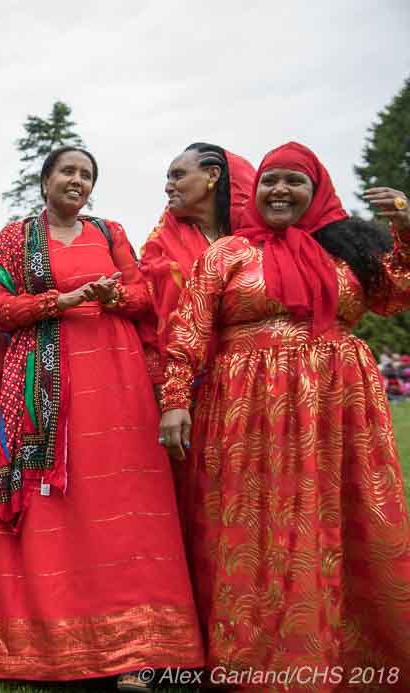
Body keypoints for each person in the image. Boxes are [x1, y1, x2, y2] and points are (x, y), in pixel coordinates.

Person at [159, 142, 410, 684]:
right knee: (251, 525)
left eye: (295, 181)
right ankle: (249, 657)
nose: (280, 190)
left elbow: (399, 293)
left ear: (317, 192)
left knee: (335, 518)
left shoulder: (348, 254)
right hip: (246, 409)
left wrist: (405, 228)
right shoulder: (227, 254)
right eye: (270, 180)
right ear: (255, 191)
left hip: (337, 409)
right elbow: (190, 327)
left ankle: (346, 653)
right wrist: (175, 399)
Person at [0, 146, 204, 688]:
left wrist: (112, 295)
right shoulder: (15, 237)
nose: (77, 181)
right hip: (42, 391)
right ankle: (46, 647)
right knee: (52, 510)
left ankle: (138, 652)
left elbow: (144, 295)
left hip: (117, 386)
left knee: (124, 505)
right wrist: (59, 300)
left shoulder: (109, 232)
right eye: (68, 171)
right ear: (46, 179)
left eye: (86, 174)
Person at [138, 143, 255, 384]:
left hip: (247, 378)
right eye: (168, 178)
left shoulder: (252, 243)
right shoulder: (161, 243)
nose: (168, 187)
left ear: (212, 174)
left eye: (178, 175)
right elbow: (147, 315)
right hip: (182, 383)